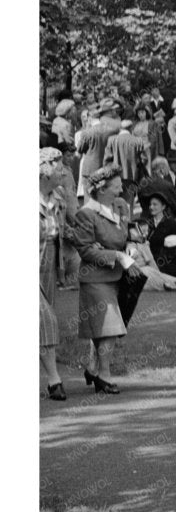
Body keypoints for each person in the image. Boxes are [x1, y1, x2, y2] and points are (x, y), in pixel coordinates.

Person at [74, 165, 139, 394]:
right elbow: (86, 251)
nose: (122, 188)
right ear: (101, 189)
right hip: (95, 279)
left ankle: (92, 369)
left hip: (120, 277)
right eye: (117, 185)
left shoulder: (121, 205)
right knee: (110, 327)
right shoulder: (86, 214)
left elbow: (130, 235)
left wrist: (130, 248)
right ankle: (104, 376)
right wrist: (117, 256)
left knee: (103, 328)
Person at [40, 159, 76, 401]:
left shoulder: (59, 195)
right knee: (45, 318)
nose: (62, 172)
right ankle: (54, 380)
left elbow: (69, 228)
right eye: (57, 167)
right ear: (43, 171)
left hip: (51, 263)